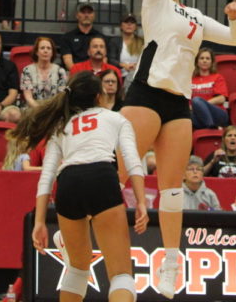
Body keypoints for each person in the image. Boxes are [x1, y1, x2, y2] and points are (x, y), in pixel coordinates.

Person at [119, 0, 236, 298]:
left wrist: (233, 16)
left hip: (178, 104)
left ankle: (170, 262)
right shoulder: (155, 4)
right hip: (145, 95)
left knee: (171, 190)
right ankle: (75, 221)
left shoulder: (191, 16)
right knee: (117, 172)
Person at [24, 71, 148, 302]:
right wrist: (141, 202)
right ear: (99, 97)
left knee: (78, 270)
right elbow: (133, 161)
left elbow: (47, 176)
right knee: (121, 274)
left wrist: (40, 221)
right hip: (102, 176)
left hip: (68, 183)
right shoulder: (115, 118)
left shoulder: (62, 126)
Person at [21, 36, 69, 110]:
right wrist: (40, 110)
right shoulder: (27, 70)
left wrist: (48, 111)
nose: (45, 51)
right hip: (32, 109)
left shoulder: (60, 71)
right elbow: (28, 98)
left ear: (52, 52)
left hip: (53, 109)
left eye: (49, 48)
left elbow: (60, 98)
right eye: (42, 48)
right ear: (37, 52)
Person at [190, 47, 229, 130]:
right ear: (197, 62)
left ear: (212, 62)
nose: (205, 60)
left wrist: (202, 105)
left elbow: (221, 99)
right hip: (197, 115)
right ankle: (210, 127)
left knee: (196, 100)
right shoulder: (191, 80)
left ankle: (210, 125)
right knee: (186, 114)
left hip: (218, 114)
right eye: (202, 58)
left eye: (208, 58)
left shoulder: (218, 77)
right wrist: (198, 108)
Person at [61, 2, 103, 70]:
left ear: (94, 16)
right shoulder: (67, 38)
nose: (86, 15)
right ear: (77, 15)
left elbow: (104, 59)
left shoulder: (101, 38)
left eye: (89, 12)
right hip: (75, 75)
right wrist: (79, 76)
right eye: (83, 12)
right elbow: (68, 61)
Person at [107, 13, 144, 86]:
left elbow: (146, 59)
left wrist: (137, 65)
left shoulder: (142, 42)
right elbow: (110, 59)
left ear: (136, 26)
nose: (129, 24)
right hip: (120, 77)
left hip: (138, 78)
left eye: (132, 22)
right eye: (126, 22)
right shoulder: (114, 41)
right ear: (121, 25)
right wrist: (123, 65)